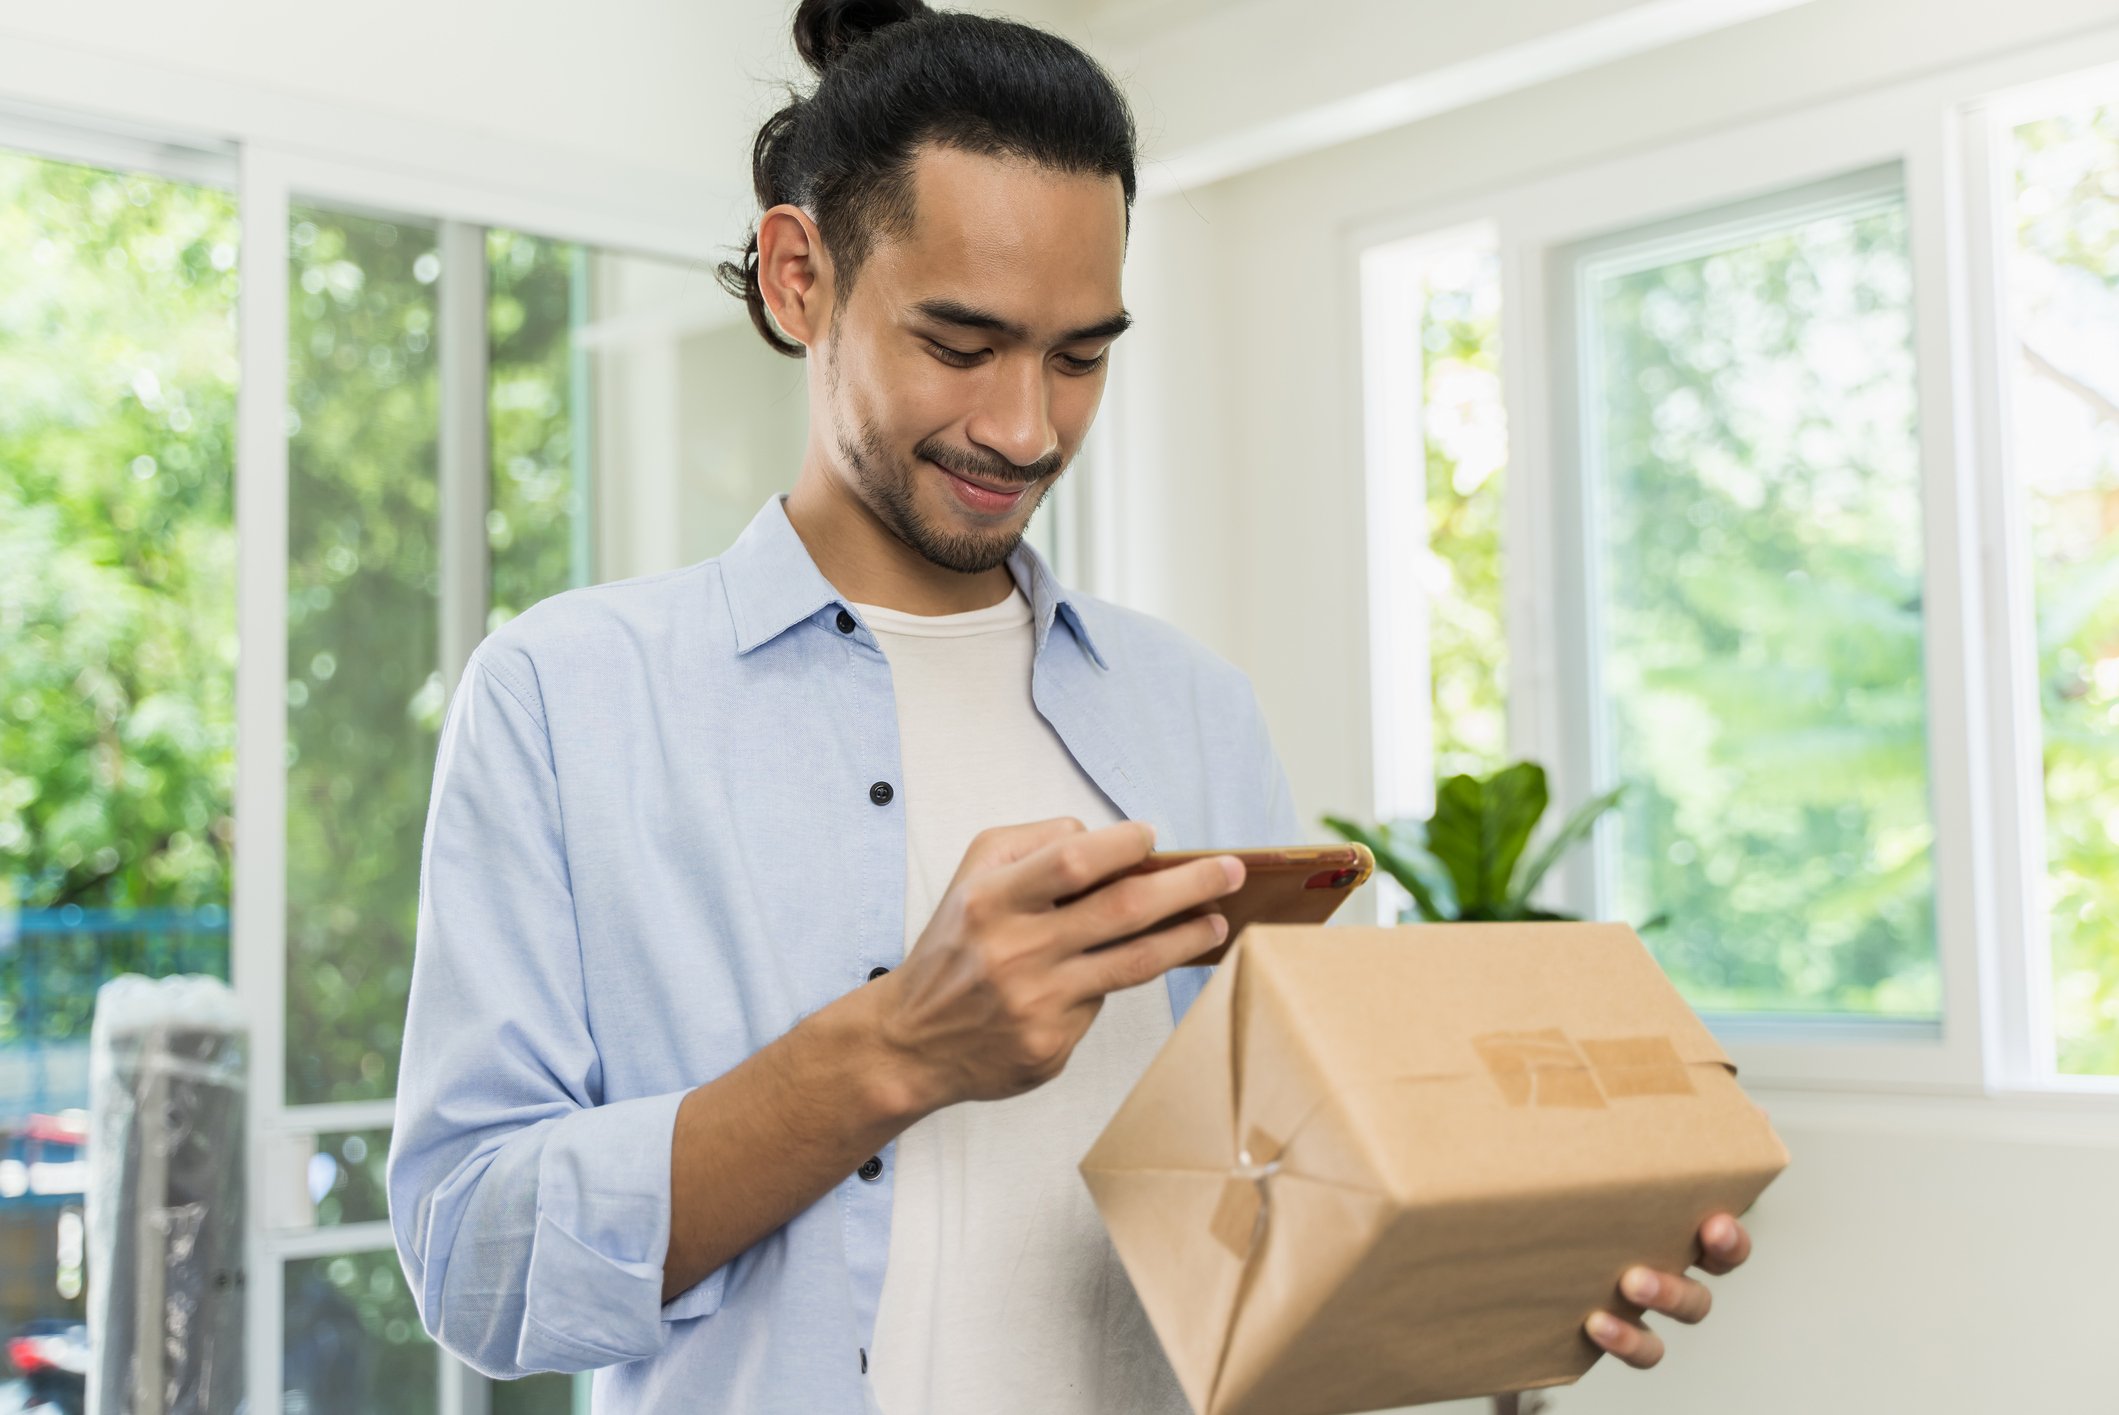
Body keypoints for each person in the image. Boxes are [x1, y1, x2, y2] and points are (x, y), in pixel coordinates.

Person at [384, 2, 1754, 1410]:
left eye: (1081, 356)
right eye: (962, 343)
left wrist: (1509, 1269)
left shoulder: (1195, 711)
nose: (1027, 429)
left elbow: (1282, 1196)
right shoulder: (567, 699)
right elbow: (473, 1261)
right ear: (800, 279)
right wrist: (899, 1046)